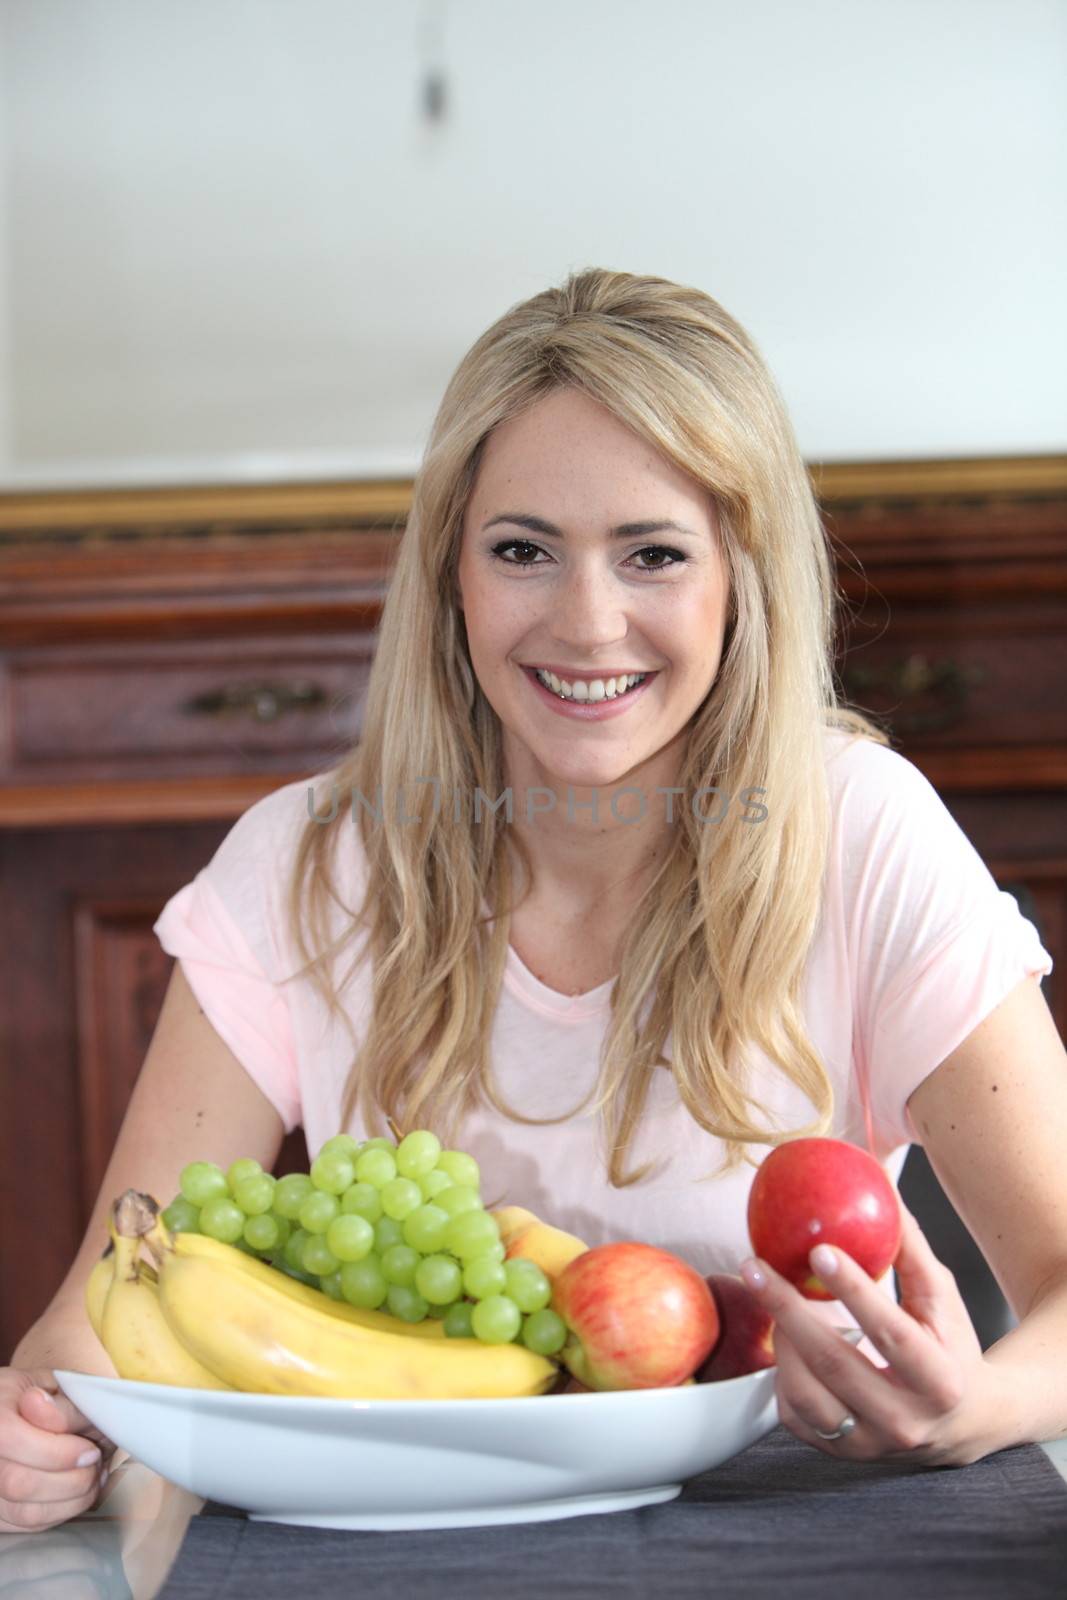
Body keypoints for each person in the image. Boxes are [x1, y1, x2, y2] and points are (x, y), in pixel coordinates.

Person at [4, 267, 1066, 1534]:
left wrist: (976, 1407)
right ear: (450, 575)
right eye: (522, 551)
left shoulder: (863, 832)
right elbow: (102, 1318)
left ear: (743, 579)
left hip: (798, 1523)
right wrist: (31, 1434)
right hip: (395, 1547)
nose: (586, 622)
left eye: (653, 554)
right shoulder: (302, 865)